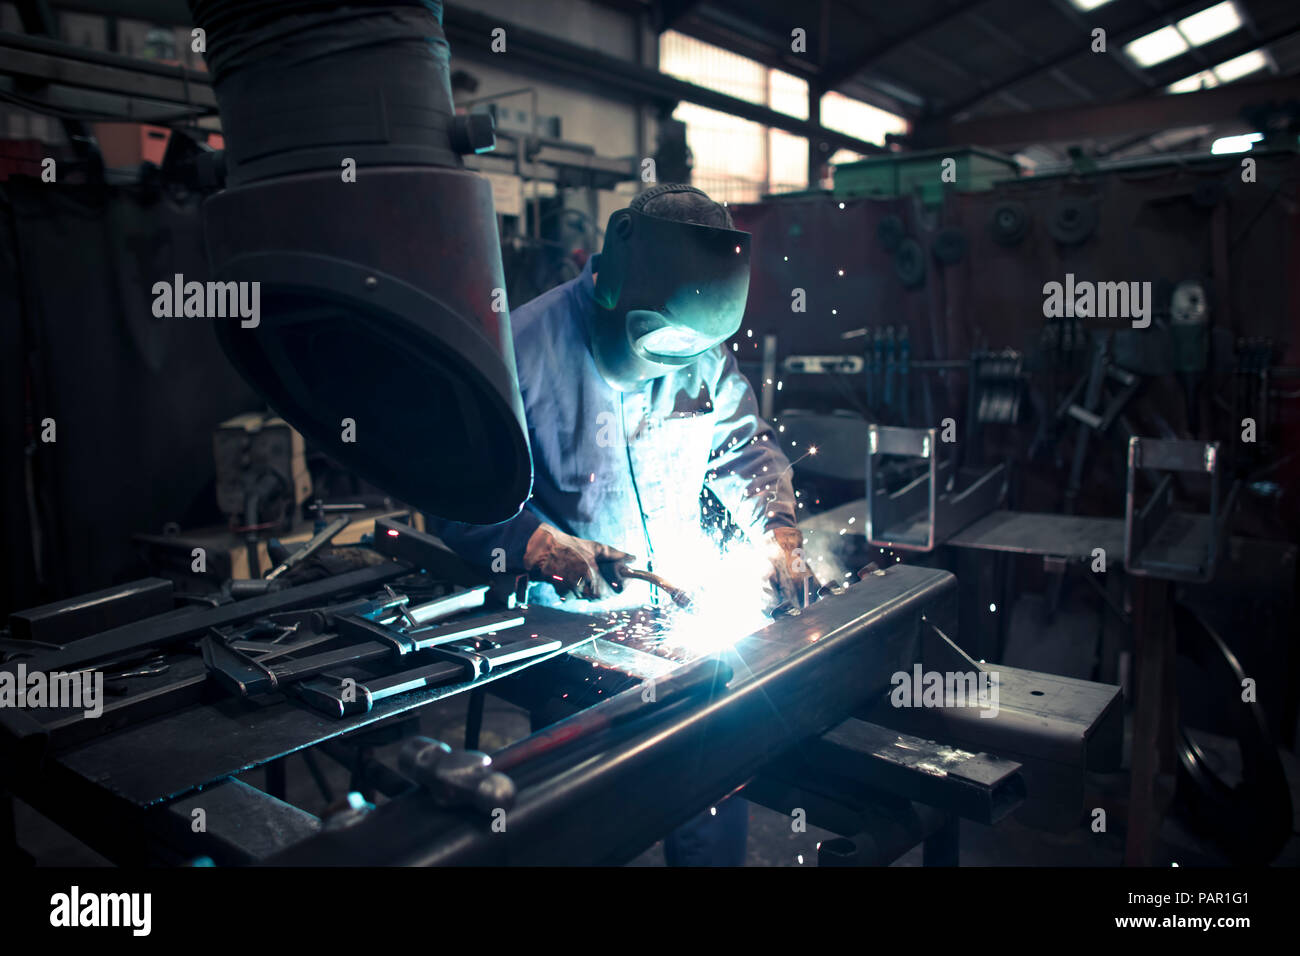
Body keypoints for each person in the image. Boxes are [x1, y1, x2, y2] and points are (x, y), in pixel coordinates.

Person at [429, 183, 811, 865]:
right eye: (663, 341)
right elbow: (457, 499)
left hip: (682, 620)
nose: (679, 362)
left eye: (696, 349)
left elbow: (744, 451)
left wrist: (778, 538)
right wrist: (543, 545)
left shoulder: (701, 350)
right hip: (575, 639)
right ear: (611, 286)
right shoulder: (521, 347)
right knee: (585, 819)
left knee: (710, 783)